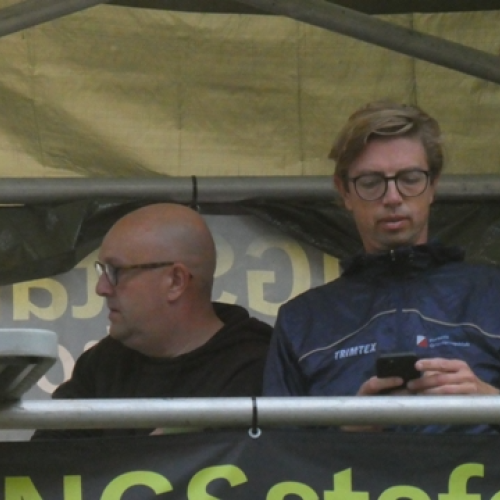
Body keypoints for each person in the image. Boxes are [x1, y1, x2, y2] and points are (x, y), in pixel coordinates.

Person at [263, 100, 500, 433]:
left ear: (433, 185)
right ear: (344, 191)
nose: (392, 197)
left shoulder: (492, 295)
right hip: (349, 469)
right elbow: (274, 452)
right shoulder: (303, 319)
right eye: (371, 182)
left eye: (410, 178)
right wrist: (350, 431)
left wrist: (489, 401)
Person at [32, 203, 272, 439]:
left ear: (176, 281)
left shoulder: (258, 369)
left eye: (116, 271)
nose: (101, 288)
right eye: (102, 271)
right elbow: (46, 457)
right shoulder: (103, 363)